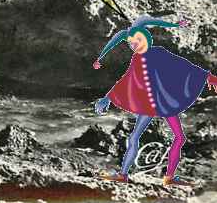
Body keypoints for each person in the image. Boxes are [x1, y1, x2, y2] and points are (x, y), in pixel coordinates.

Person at [93, 16, 217, 186]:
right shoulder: (136, 59)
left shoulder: (158, 52)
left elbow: (182, 65)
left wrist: (208, 77)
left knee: (179, 138)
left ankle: (168, 177)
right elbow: (126, 79)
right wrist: (107, 97)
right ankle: (124, 174)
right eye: (130, 42)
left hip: (164, 101)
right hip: (148, 105)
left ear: (146, 38)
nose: (133, 44)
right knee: (135, 137)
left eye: (137, 39)